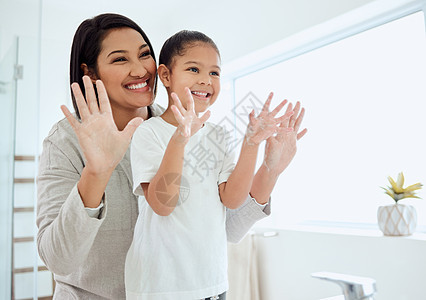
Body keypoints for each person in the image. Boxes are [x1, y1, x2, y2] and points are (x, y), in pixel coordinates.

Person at [36, 13, 306, 300]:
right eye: (120, 59)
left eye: (144, 55)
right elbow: (58, 259)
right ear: (90, 73)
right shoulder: (65, 141)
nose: (140, 70)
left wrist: (270, 169)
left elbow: (224, 225)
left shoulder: (192, 129)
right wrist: (97, 172)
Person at [125, 30, 299, 300]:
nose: (206, 80)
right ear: (166, 75)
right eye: (194, 69)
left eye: (215, 73)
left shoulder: (218, 135)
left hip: (211, 282)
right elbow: (162, 204)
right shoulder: (149, 133)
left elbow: (232, 199)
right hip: (159, 286)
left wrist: (250, 145)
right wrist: (180, 138)